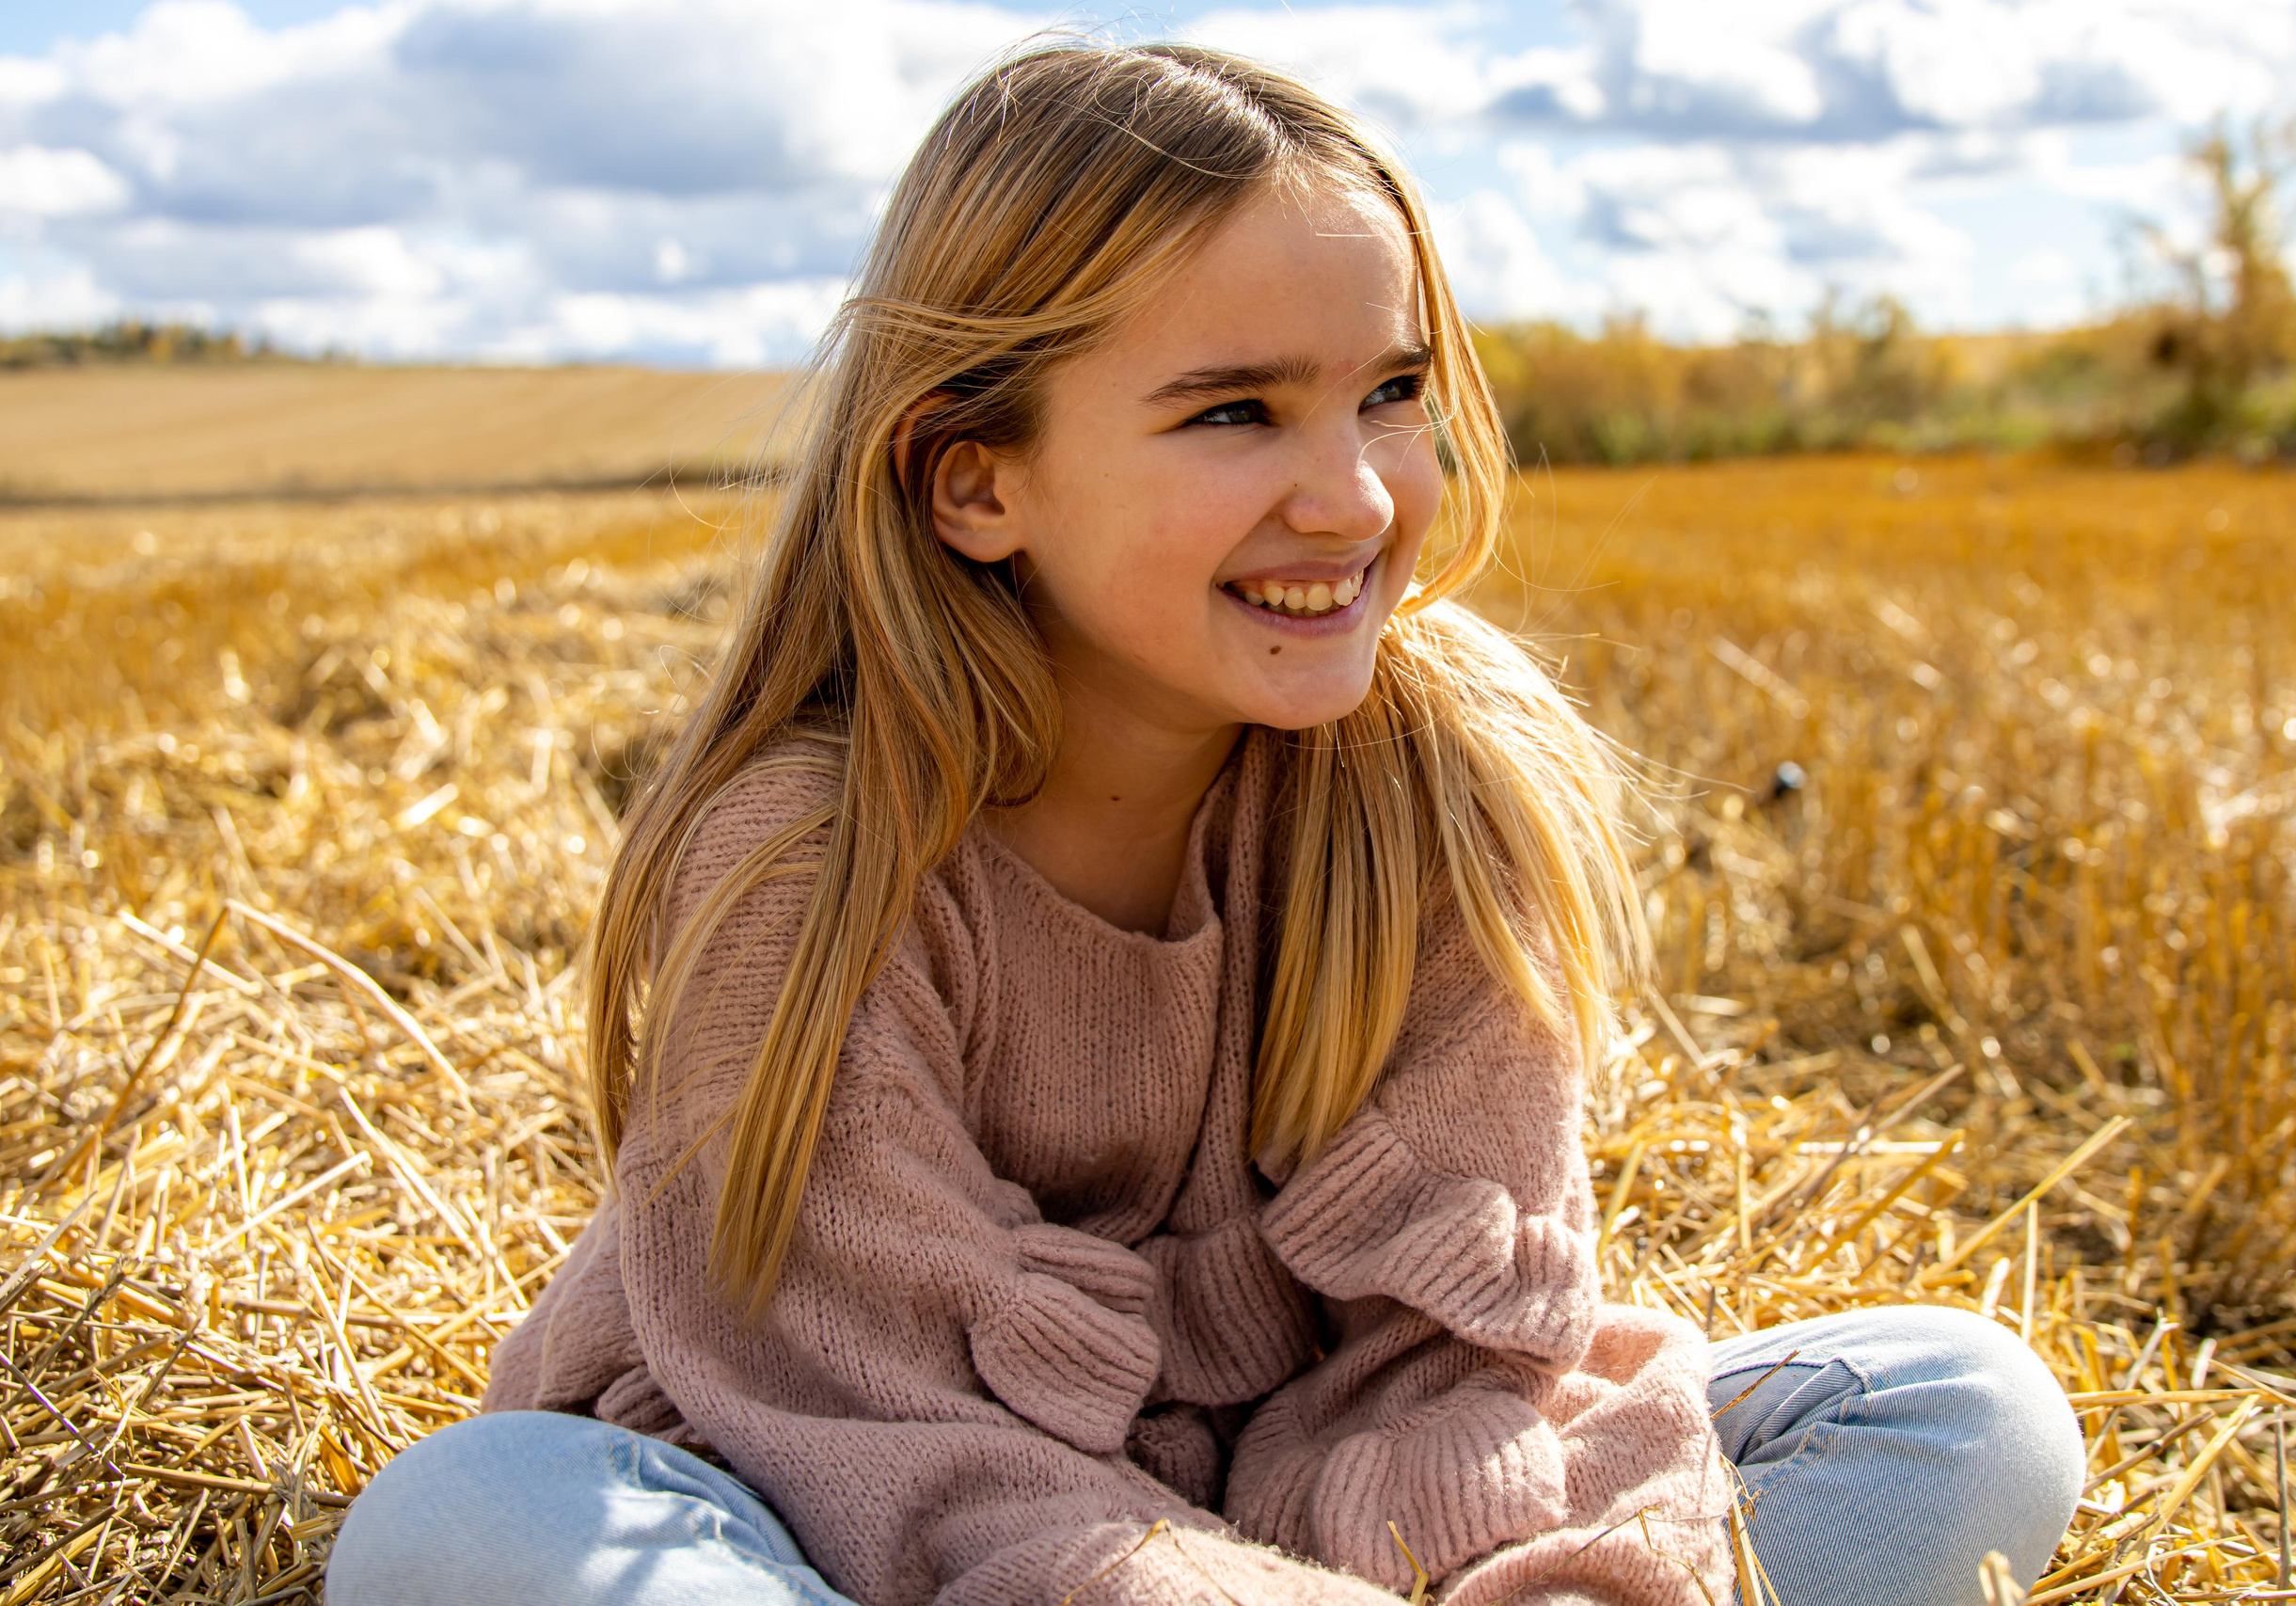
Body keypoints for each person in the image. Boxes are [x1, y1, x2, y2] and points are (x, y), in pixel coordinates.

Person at [325, 41, 2082, 1606]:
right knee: (477, 1521)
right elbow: (884, 1436)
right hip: (863, 1511)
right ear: (976, 480)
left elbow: (1442, 1364)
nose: (1357, 494)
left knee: (1956, 1412)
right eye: (1235, 411)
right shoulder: (813, 862)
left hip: (1312, 1505)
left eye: (1390, 391)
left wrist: (1525, 1578)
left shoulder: (1432, 791)